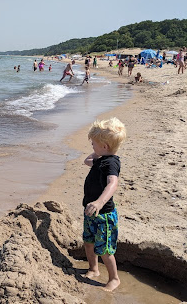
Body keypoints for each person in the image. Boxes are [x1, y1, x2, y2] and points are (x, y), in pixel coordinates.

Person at [82, 118, 126, 292]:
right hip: (90, 211)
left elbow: (113, 184)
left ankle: (114, 279)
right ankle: (93, 269)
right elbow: (87, 161)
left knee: (106, 250)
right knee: (88, 242)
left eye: (94, 143)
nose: (91, 146)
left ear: (105, 146)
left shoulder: (111, 163)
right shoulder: (101, 160)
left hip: (104, 215)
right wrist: (97, 151)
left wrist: (100, 202)